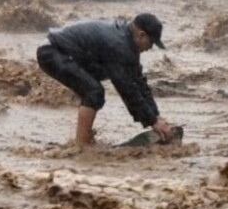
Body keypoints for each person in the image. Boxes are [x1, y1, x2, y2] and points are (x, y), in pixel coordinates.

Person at [36, 13, 172, 146]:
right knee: (94, 92)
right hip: (52, 52)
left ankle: (82, 142)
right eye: (151, 42)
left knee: (93, 91)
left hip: (64, 52)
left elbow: (140, 84)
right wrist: (152, 121)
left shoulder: (127, 44)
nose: (150, 48)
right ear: (141, 34)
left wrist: (156, 116)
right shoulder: (118, 45)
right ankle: (81, 147)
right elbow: (126, 89)